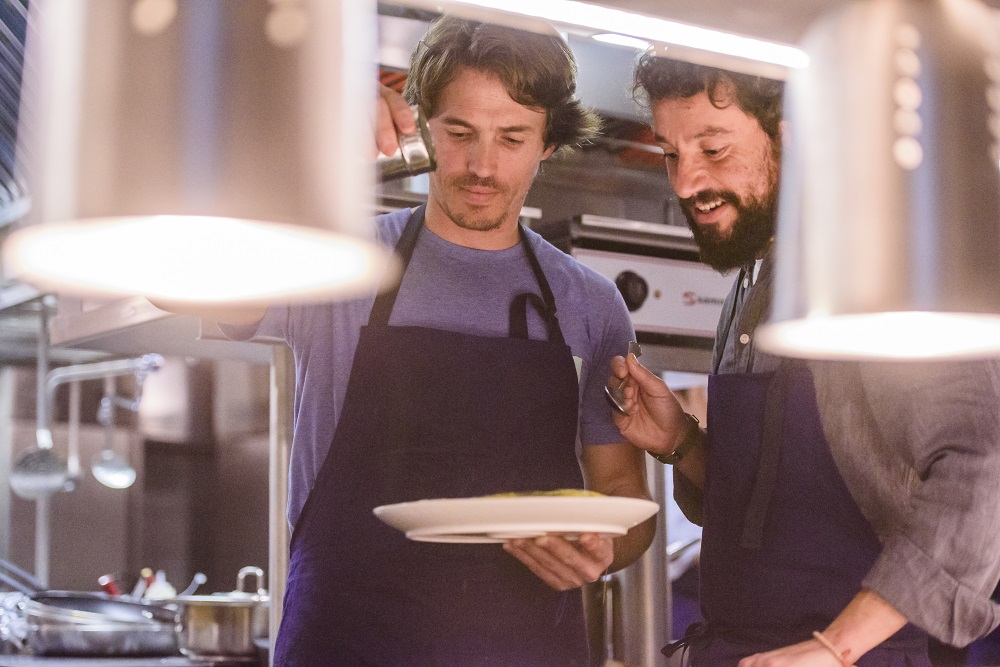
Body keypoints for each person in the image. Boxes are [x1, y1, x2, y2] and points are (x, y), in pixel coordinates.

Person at [201, 15, 655, 666]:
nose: (481, 165)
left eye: (512, 137)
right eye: (460, 131)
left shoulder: (590, 304)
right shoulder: (337, 262)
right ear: (421, 124)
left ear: (548, 142)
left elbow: (626, 498)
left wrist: (607, 548)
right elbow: (188, 280)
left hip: (524, 647)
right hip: (345, 640)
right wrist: (293, 132)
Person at [608, 54, 1000, 666]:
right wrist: (681, 442)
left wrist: (835, 648)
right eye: (670, 153)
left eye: (713, 150)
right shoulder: (750, 286)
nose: (684, 182)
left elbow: (982, 478)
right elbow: (770, 514)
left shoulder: (884, 272)